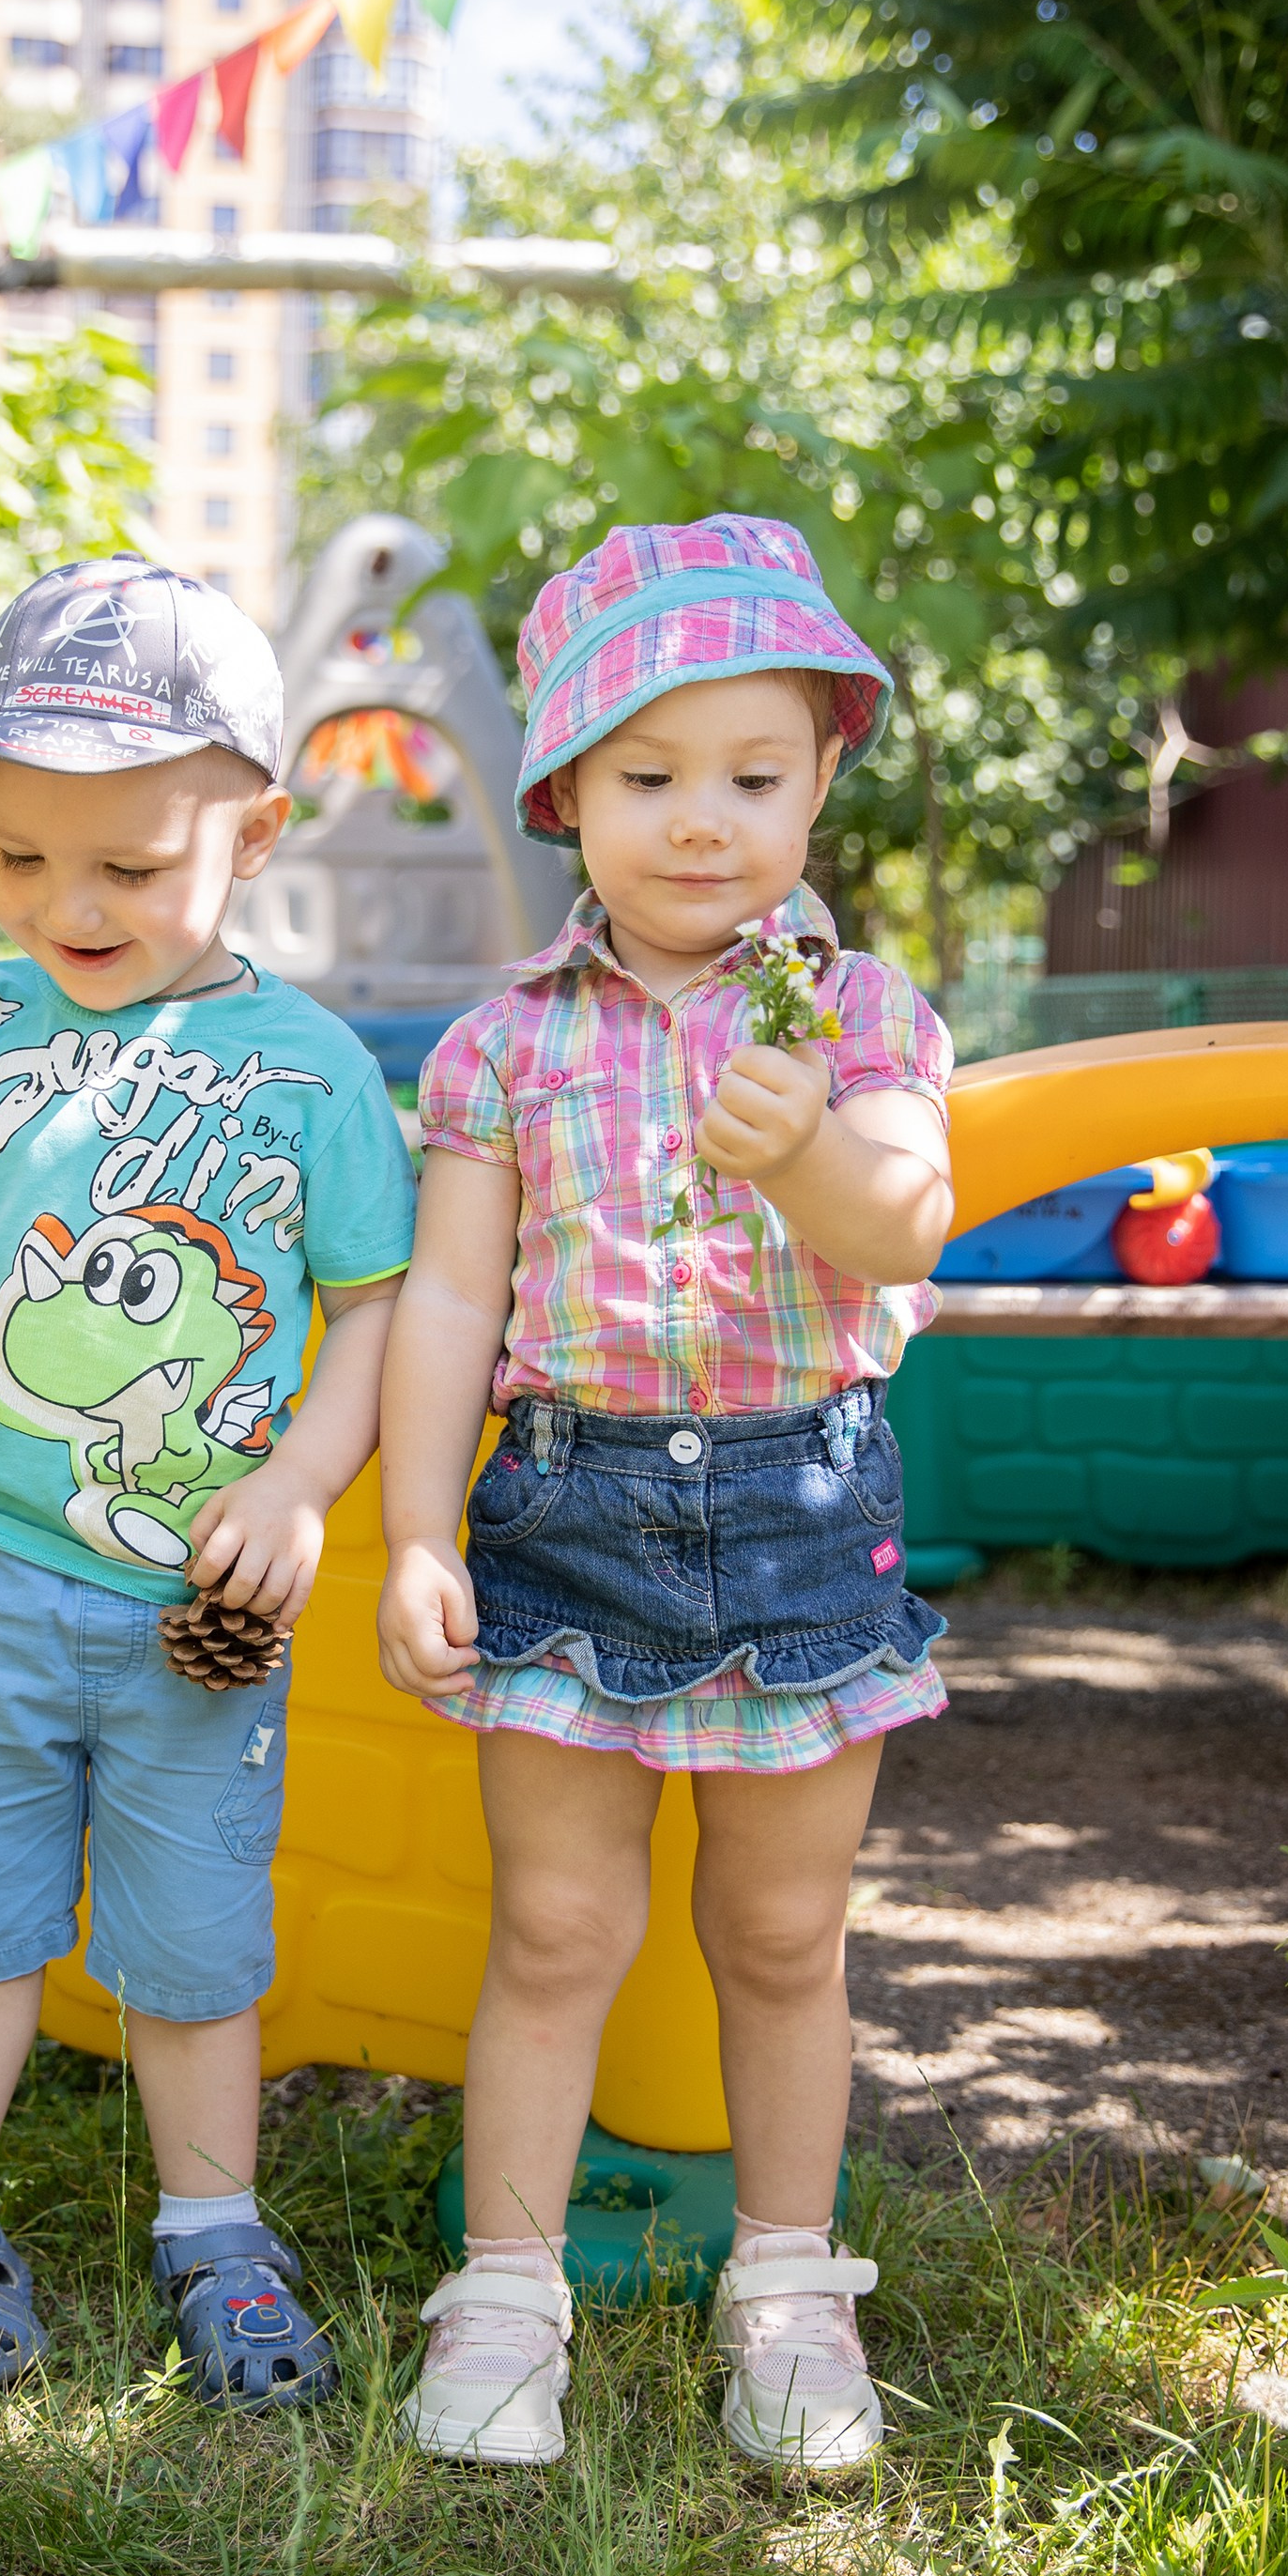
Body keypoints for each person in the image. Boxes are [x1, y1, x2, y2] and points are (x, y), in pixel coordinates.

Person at [376, 515, 954, 2472]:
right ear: (563, 793)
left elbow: (901, 1221)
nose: (701, 819)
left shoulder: (855, 1015)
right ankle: (505, 2289)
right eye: (647, 777)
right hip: (567, 1515)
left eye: (751, 777)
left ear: (818, 782)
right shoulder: (503, 1043)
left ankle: (787, 2287)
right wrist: (413, 1525)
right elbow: (449, 1297)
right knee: (553, 1929)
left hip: (803, 1511)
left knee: (782, 1936)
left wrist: (802, 1155)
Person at [0, 556, 417, 2410]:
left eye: (130, 866)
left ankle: (214, 2232)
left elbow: (373, 1303)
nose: (66, 905)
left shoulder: (310, 1070)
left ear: (257, 830)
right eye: (18, 856)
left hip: (193, 1609)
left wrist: (303, 1478)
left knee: (194, 1935)